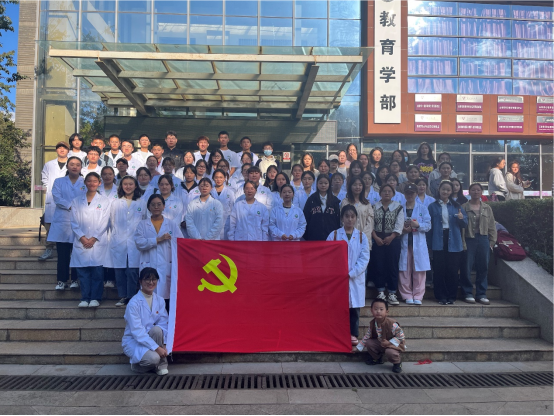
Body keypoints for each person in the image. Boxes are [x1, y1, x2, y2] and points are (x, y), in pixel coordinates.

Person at [327, 205, 370, 346]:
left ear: (356, 218)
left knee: (354, 308)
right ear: (342, 218)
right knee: (338, 307)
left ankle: (353, 333)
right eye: (347, 216)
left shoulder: (362, 237)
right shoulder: (334, 235)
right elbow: (328, 255)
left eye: (352, 216)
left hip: (355, 278)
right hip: (338, 278)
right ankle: (337, 333)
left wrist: (351, 273)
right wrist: (338, 272)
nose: (349, 219)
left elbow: (364, 259)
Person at [135, 194, 184, 308]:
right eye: (153, 205)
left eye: (159, 204)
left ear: (163, 206)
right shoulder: (142, 224)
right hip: (149, 263)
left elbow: (180, 243)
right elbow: (139, 243)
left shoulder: (171, 224)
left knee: (166, 296)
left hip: (166, 264)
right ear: (149, 207)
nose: (156, 207)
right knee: (149, 296)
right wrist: (157, 240)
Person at [69, 172, 110, 308]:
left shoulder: (104, 201)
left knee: (97, 272)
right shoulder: (76, 201)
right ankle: (85, 298)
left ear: (99, 183)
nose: (92, 183)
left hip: (97, 242)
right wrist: (82, 237)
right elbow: (74, 221)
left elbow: (105, 222)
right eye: (89, 181)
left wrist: (93, 238)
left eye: (95, 181)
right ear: (85, 183)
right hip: (81, 241)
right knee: (83, 272)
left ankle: (95, 298)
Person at [122, 267, 169, 376]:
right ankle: (137, 366)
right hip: (134, 340)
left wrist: (164, 344)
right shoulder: (133, 303)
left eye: (154, 279)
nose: (151, 282)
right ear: (140, 281)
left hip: (151, 336)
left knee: (157, 330)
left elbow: (164, 323)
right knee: (153, 358)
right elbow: (137, 331)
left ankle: (161, 365)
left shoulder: (160, 300)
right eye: (147, 279)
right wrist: (157, 348)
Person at [48, 156, 86, 290]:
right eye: (72, 164)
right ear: (67, 166)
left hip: (80, 220)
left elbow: (87, 198)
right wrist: (71, 206)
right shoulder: (59, 181)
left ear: (81, 167)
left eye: (77, 164)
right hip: (62, 221)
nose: (75, 167)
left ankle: (75, 279)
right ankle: (61, 280)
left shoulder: (85, 182)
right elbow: (57, 198)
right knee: (63, 254)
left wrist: (77, 207)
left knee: (77, 252)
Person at [428, 181, 468, 305]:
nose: (445, 192)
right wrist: (429, 244)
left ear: (451, 192)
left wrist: (461, 219)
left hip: (453, 240)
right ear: (439, 190)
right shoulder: (432, 206)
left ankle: (451, 296)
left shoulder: (456, 206)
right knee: (439, 269)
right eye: (443, 189)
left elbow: (464, 224)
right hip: (438, 239)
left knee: (452, 269)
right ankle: (441, 296)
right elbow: (429, 226)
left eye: (448, 190)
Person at [110, 175, 145, 307]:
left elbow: (145, 221)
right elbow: (112, 222)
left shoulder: (141, 203)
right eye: (125, 184)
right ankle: (122, 296)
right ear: (121, 186)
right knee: (120, 271)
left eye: (131, 184)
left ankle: (131, 296)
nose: (128, 186)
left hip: (135, 242)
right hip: (119, 241)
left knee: (132, 272)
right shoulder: (116, 203)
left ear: (135, 186)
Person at [461, 183, 497, 305]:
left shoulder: (487, 208)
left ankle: (481, 294)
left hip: (483, 239)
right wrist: (463, 242)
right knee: (467, 267)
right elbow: (461, 227)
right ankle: (467, 292)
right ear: (469, 192)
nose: (476, 192)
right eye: (473, 190)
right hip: (469, 239)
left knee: (483, 267)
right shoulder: (464, 207)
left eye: (478, 190)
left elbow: (492, 225)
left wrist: (492, 241)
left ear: (482, 192)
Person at [398, 184, 431, 305]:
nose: (410, 195)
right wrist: (402, 230)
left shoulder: (422, 208)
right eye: (407, 193)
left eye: (412, 193)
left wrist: (418, 225)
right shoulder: (400, 208)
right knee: (404, 270)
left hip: (418, 242)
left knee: (419, 270)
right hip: (404, 242)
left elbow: (428, 225)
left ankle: (418, 295)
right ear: (404, 194)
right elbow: (395, 225)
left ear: (416, 194)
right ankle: (406, 294)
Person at [371, 184, 404, 305]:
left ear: (393, 193)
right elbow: (370, 224)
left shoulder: (398, 207)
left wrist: (392, 236)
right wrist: (375, 237)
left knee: (392, 266)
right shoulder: (374, 207)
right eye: (384, 191)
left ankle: (392, 293)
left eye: (389, 191)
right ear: (380, 193)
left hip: (393, 240)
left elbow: (399, 224)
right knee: (379, 265)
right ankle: (380, 291)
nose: (387, 193)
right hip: (377, 239)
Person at [39, 141, 69, 261]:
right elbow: (44, 179)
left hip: (66, 199)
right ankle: (49, 249)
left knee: (67, 225)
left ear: (68, 150)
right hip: (52, 199)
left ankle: (69, 251)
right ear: (56, 150)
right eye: (59, 148)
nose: (62, 150)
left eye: (64, 148)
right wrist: (52, 190)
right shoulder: (49, 165)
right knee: (50, 226)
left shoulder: (72, 164)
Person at [359, 299, 405, 373]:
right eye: (375, 309)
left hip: (393, 345)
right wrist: (358, 347)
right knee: (369, 343)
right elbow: (367, 336)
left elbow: (401, 337)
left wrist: (389, 343)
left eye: (381, 309)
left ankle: (397, 363)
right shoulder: (373, 323)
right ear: (371, 311)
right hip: (381, 343)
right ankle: (377, 358)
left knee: (390, 352)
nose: (378, 311)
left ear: (387, 311)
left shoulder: (392, 323)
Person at [303, 174, 340, 241]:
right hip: (314, 237)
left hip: (331, 237)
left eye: (325, 183)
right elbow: (305, 218)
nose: (323, 185)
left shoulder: (334, 200)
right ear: (317, 184)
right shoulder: (311, 199)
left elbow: (337, 219)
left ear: (329, 184)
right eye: (321, 183)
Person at [340, 176, 374, 249]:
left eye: (360, 185)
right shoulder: (345, 202)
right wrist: (351, 234)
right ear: (350, 187)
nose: (357, 187)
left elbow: (370, 222)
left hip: (364, 238)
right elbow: (342, 220)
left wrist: (362, 235)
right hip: (348, 237)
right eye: (355, 185)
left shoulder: (367, 204)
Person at [211, 169, 236, 240]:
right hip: (212, 223)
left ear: (225, 178)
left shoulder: (230, 192)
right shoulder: (210, 191)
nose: (218, 179)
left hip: (226, 223)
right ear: (213, 178)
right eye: (216, 177)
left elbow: (233, 209)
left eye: (221, 177)